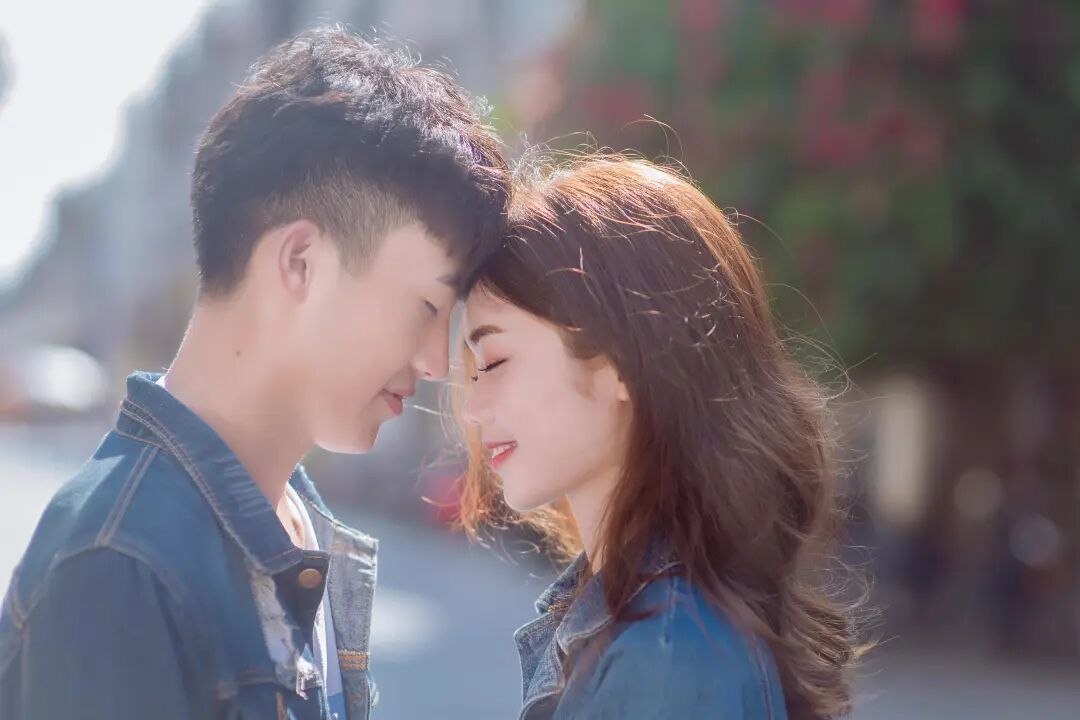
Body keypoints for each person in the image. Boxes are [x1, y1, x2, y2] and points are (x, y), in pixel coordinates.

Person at [0, 26, 508, 720]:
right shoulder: (119, 564)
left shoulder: (296, 527)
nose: (435, 362)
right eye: (425, 307)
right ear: (299, 263)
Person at [456, 155, 859, 719]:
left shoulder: (666, 657)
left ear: (621, 360)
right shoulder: (658, 631)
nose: (473, 409)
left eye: (494, 361)